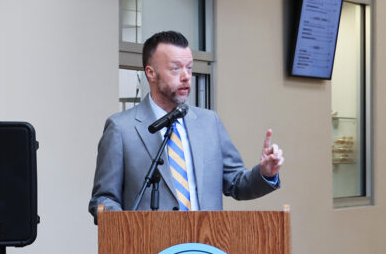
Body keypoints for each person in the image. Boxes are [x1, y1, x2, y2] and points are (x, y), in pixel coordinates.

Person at [89, 30, 283, 219]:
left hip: (204, 246)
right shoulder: (121, 129)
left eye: (189, 67)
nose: (185, 77)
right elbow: (103, 199)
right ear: (151, 73)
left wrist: (265, 173)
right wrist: (129, 229)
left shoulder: (209, 123)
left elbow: (236, 183)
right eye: (175, 68)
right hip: (150, 249)